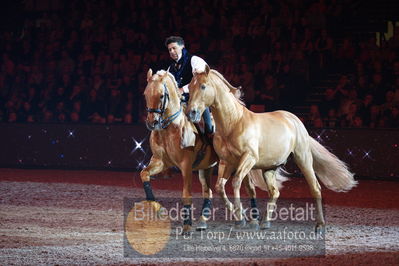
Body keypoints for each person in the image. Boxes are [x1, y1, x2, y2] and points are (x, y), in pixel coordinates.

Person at [165, 36, 214, 135]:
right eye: (169, 49)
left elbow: (201, 81)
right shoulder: (170, 68)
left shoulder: (194, 60)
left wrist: (182, 89)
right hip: (179, 103)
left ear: (182, 46)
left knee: (207, 128)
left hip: (196, 100)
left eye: (174, 48)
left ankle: (209, 135)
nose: (171, 51)